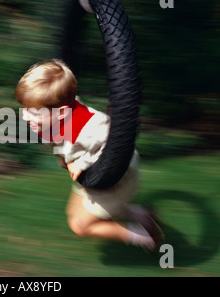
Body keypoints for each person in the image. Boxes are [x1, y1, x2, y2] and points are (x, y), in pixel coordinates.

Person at [15, 59, 163, 251]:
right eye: (25, 109)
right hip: (93, 175)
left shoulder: (90, 128)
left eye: (33, 112)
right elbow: (58, 139)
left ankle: (144, 237)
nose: (25, 117)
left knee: (80, 226)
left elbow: (116, 145)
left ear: (61, 113)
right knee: (74, 212)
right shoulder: (53, 115)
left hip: (117, 177)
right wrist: (63, 157)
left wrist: (82, 162)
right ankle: (143, 215)